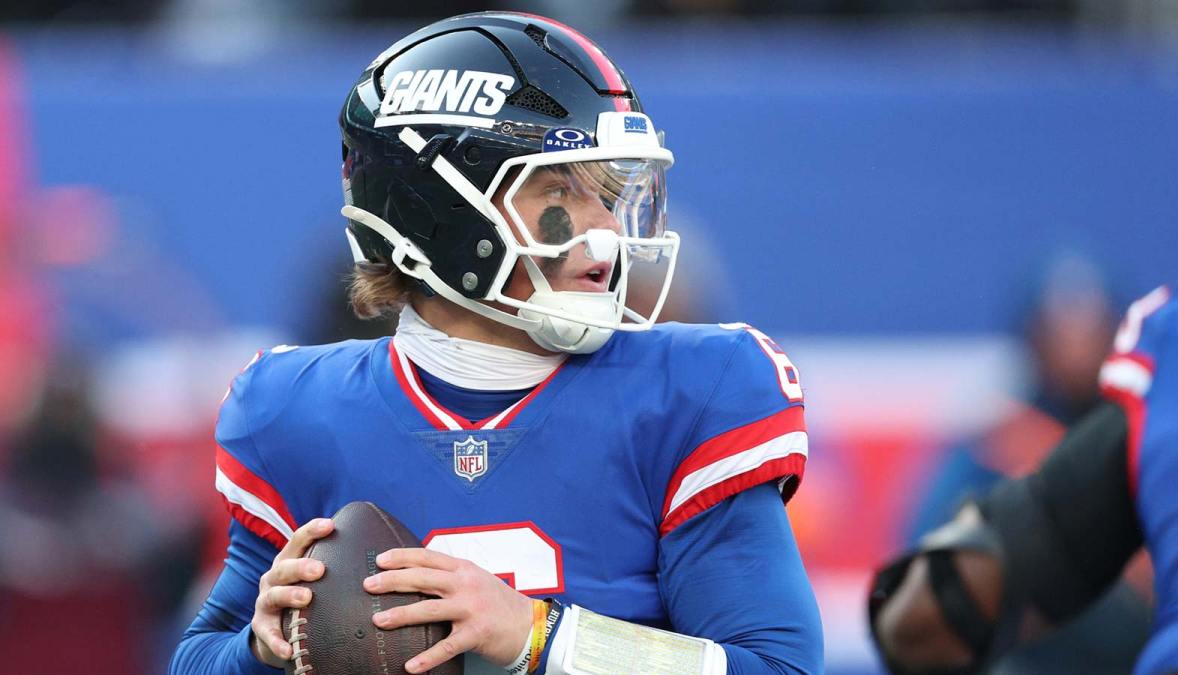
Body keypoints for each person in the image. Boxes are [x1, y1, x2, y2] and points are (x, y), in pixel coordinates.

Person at [170, 12, 822, 675]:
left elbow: (779, 666)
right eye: (561, 190)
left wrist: (538, 637)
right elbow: (197, 658)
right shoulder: (295, 414)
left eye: (611, 192)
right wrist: (263, 648)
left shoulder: (690, 395)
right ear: (438, 212)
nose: (606, 230)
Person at [867, 275, 1178, 675]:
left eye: (1089, 328)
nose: (1075, 345)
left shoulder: (1177, 344)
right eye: (1059, 331)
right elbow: (932, 606)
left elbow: (922, 620)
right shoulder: (1003, 437)